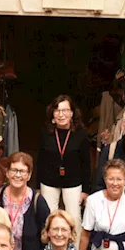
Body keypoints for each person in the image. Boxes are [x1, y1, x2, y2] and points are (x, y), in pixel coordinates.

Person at [37, 95, 92, 234]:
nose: (61, 114)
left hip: (73, 182)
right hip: (49, 182)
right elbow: (40, 161)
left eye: (65, 110)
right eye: (57, 111)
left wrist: (86, 190)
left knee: (74, 219)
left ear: (72, 113)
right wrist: (38, 187)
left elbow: (86, 163)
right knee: (49, 219)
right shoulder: (45, 133)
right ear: (52, 114)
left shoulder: (81, 135)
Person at [0, 151, 51, 250]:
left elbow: (46, 236)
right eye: (14, 170)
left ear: (29, 175)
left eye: (22, 171)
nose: (18, 175)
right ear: (7, 173)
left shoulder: (37, 201)